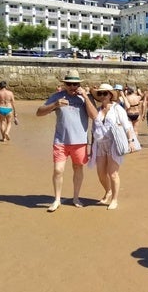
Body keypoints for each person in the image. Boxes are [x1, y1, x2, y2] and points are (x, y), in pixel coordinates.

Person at [36, 70, 96, 212]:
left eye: (75, 84)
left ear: (79, 85)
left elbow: (94, 116)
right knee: (58, 170)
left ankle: (75, 197)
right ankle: (57, 199)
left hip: (80, 141)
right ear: (64, 84)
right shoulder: (57, 97)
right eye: (69, 84)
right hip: (61, 141)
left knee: (78, 168)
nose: (72, 87)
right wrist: (55, 105)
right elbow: (39, 112)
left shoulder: (85, 98)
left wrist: (86, 98)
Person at [88, 83, 137, 210]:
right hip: (99, 144)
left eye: (105, 93)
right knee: (101, 173)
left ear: (110, 95)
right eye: (100, 93)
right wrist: (91, 147)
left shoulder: (117, 108)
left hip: (113, 143)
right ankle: (108, 191)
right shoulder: (97, 111)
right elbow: (94, 130)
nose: (102, 96)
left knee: (113, 173)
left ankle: (114, 199)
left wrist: (131, 140)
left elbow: (127, 125)